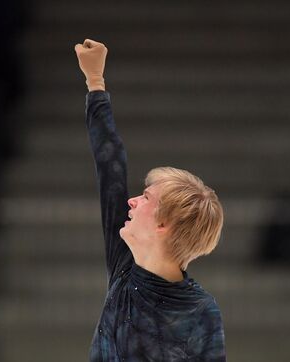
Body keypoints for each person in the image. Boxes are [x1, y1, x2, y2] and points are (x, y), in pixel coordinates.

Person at [75, 39, 226, 361]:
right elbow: (110, 169)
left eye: (145, 197)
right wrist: (95, 82)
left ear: (162, 224)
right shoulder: (125, 268)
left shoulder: (200, 311)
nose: (130, 201)